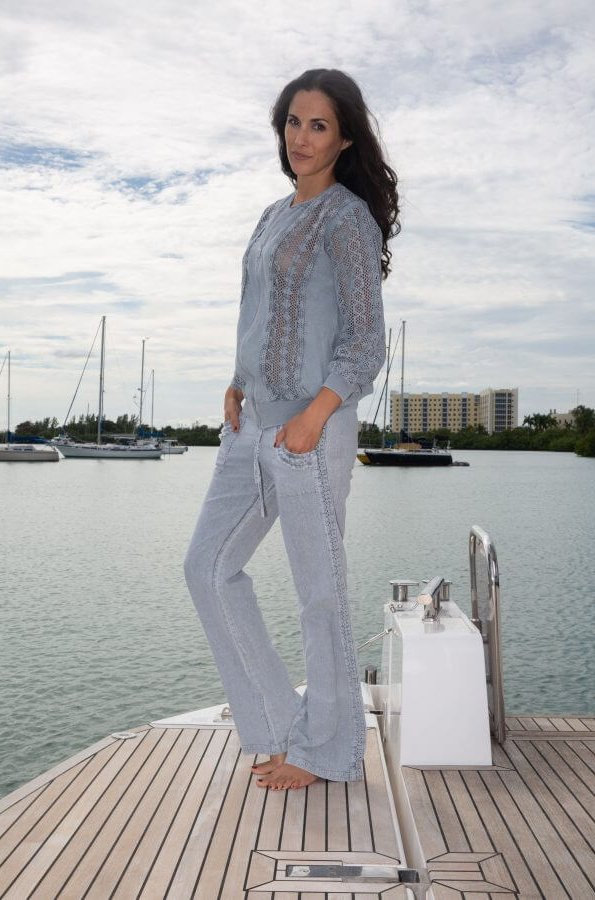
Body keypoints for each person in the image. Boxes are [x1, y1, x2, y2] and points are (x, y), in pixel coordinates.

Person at [184, 68, 400, 791]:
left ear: (344, 140)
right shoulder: (271, 215)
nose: (301, 138)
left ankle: (327, 752)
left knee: (319, 594)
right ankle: (279, 725)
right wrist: (237, 379)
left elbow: (366, 342)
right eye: (293, 122)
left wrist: (314, 415)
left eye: (318, 125)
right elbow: (259, 311)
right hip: (250, 425)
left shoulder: (348, 219)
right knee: (208, 568)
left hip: (313, 431)